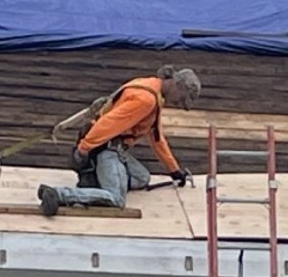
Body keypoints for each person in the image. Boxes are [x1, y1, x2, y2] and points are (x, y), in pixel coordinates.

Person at [39, 66, 201, 214]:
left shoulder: (151, 87)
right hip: (105, 149)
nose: (177, 103)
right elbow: (108, 123)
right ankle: (58, 194)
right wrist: (84, 148)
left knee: (142, 178)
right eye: (181, 99)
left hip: (114, 149)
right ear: (177, 85)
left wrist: (174, 170)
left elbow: (156, 137)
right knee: (117, 198)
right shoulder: (146, 100)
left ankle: (99, 183)